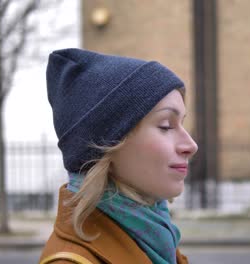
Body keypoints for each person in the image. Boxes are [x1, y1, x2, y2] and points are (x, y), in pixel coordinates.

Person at [39, 48, 198, 264]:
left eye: (182, 123)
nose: (191, 145)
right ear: (108, 144)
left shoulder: (157, 241)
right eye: (166, 125)